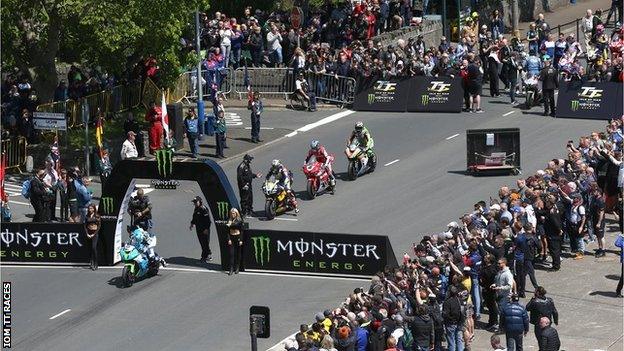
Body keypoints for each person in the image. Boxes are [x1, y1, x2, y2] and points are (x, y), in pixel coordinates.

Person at [190, 196, 212, 262]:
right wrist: (192, 223)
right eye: (194, 202)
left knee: (205, 242)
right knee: (202, 243)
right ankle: (208, 254)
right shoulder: (196, 208)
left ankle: (204, 257)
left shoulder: (204, 209)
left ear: (200, 202)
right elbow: (194, 217)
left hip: (204, 229)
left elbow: (208, 220)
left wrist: (206, 229)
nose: (195, 203)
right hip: (198, 228)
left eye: (196, 202)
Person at [442, 286, 464, 351]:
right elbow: (463, 311)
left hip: (450, 324)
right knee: (459, 339)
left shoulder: (447, 302)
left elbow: (445, 315)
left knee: (451, 341)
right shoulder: (459, 300)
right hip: (459, 323)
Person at [226, 207, 244, 275]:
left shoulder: (239, 220)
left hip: (238, 237)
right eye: (231, 213)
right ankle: (231, 269)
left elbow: (242, 231)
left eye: (234, 213)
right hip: (232, 237)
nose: (232, 214)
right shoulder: (229, 220)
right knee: (231, 254)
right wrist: (229, 239)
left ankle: (237, 267)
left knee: (238, 254)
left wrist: (241, 239)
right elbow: (227, 231)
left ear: (236, 214)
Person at [84, 204, 101, 270]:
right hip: (89, 232)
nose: (90, 210)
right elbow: (85, 225)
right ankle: (91, 262)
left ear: (94, 209)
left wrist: (94, 234)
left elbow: (99, 226)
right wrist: (87, 233)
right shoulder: (87, 216)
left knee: (94, 248)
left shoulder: (97, 216)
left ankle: (96, 263)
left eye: (91, 208)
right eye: (89, 208)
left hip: (95, 233)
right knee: (90, 248)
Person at [43, 157, 59, 221]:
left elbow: (56, 178)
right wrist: (50, 186)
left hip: (54, 188)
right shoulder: (45, 172)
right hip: (48, 189)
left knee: (53, 203)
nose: (51, 166)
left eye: (52, 165)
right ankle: (48, 217)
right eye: (50, 165)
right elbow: (44, 181)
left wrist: (56, 185)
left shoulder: (54, 171)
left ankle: (53, 216)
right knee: (48, 204)